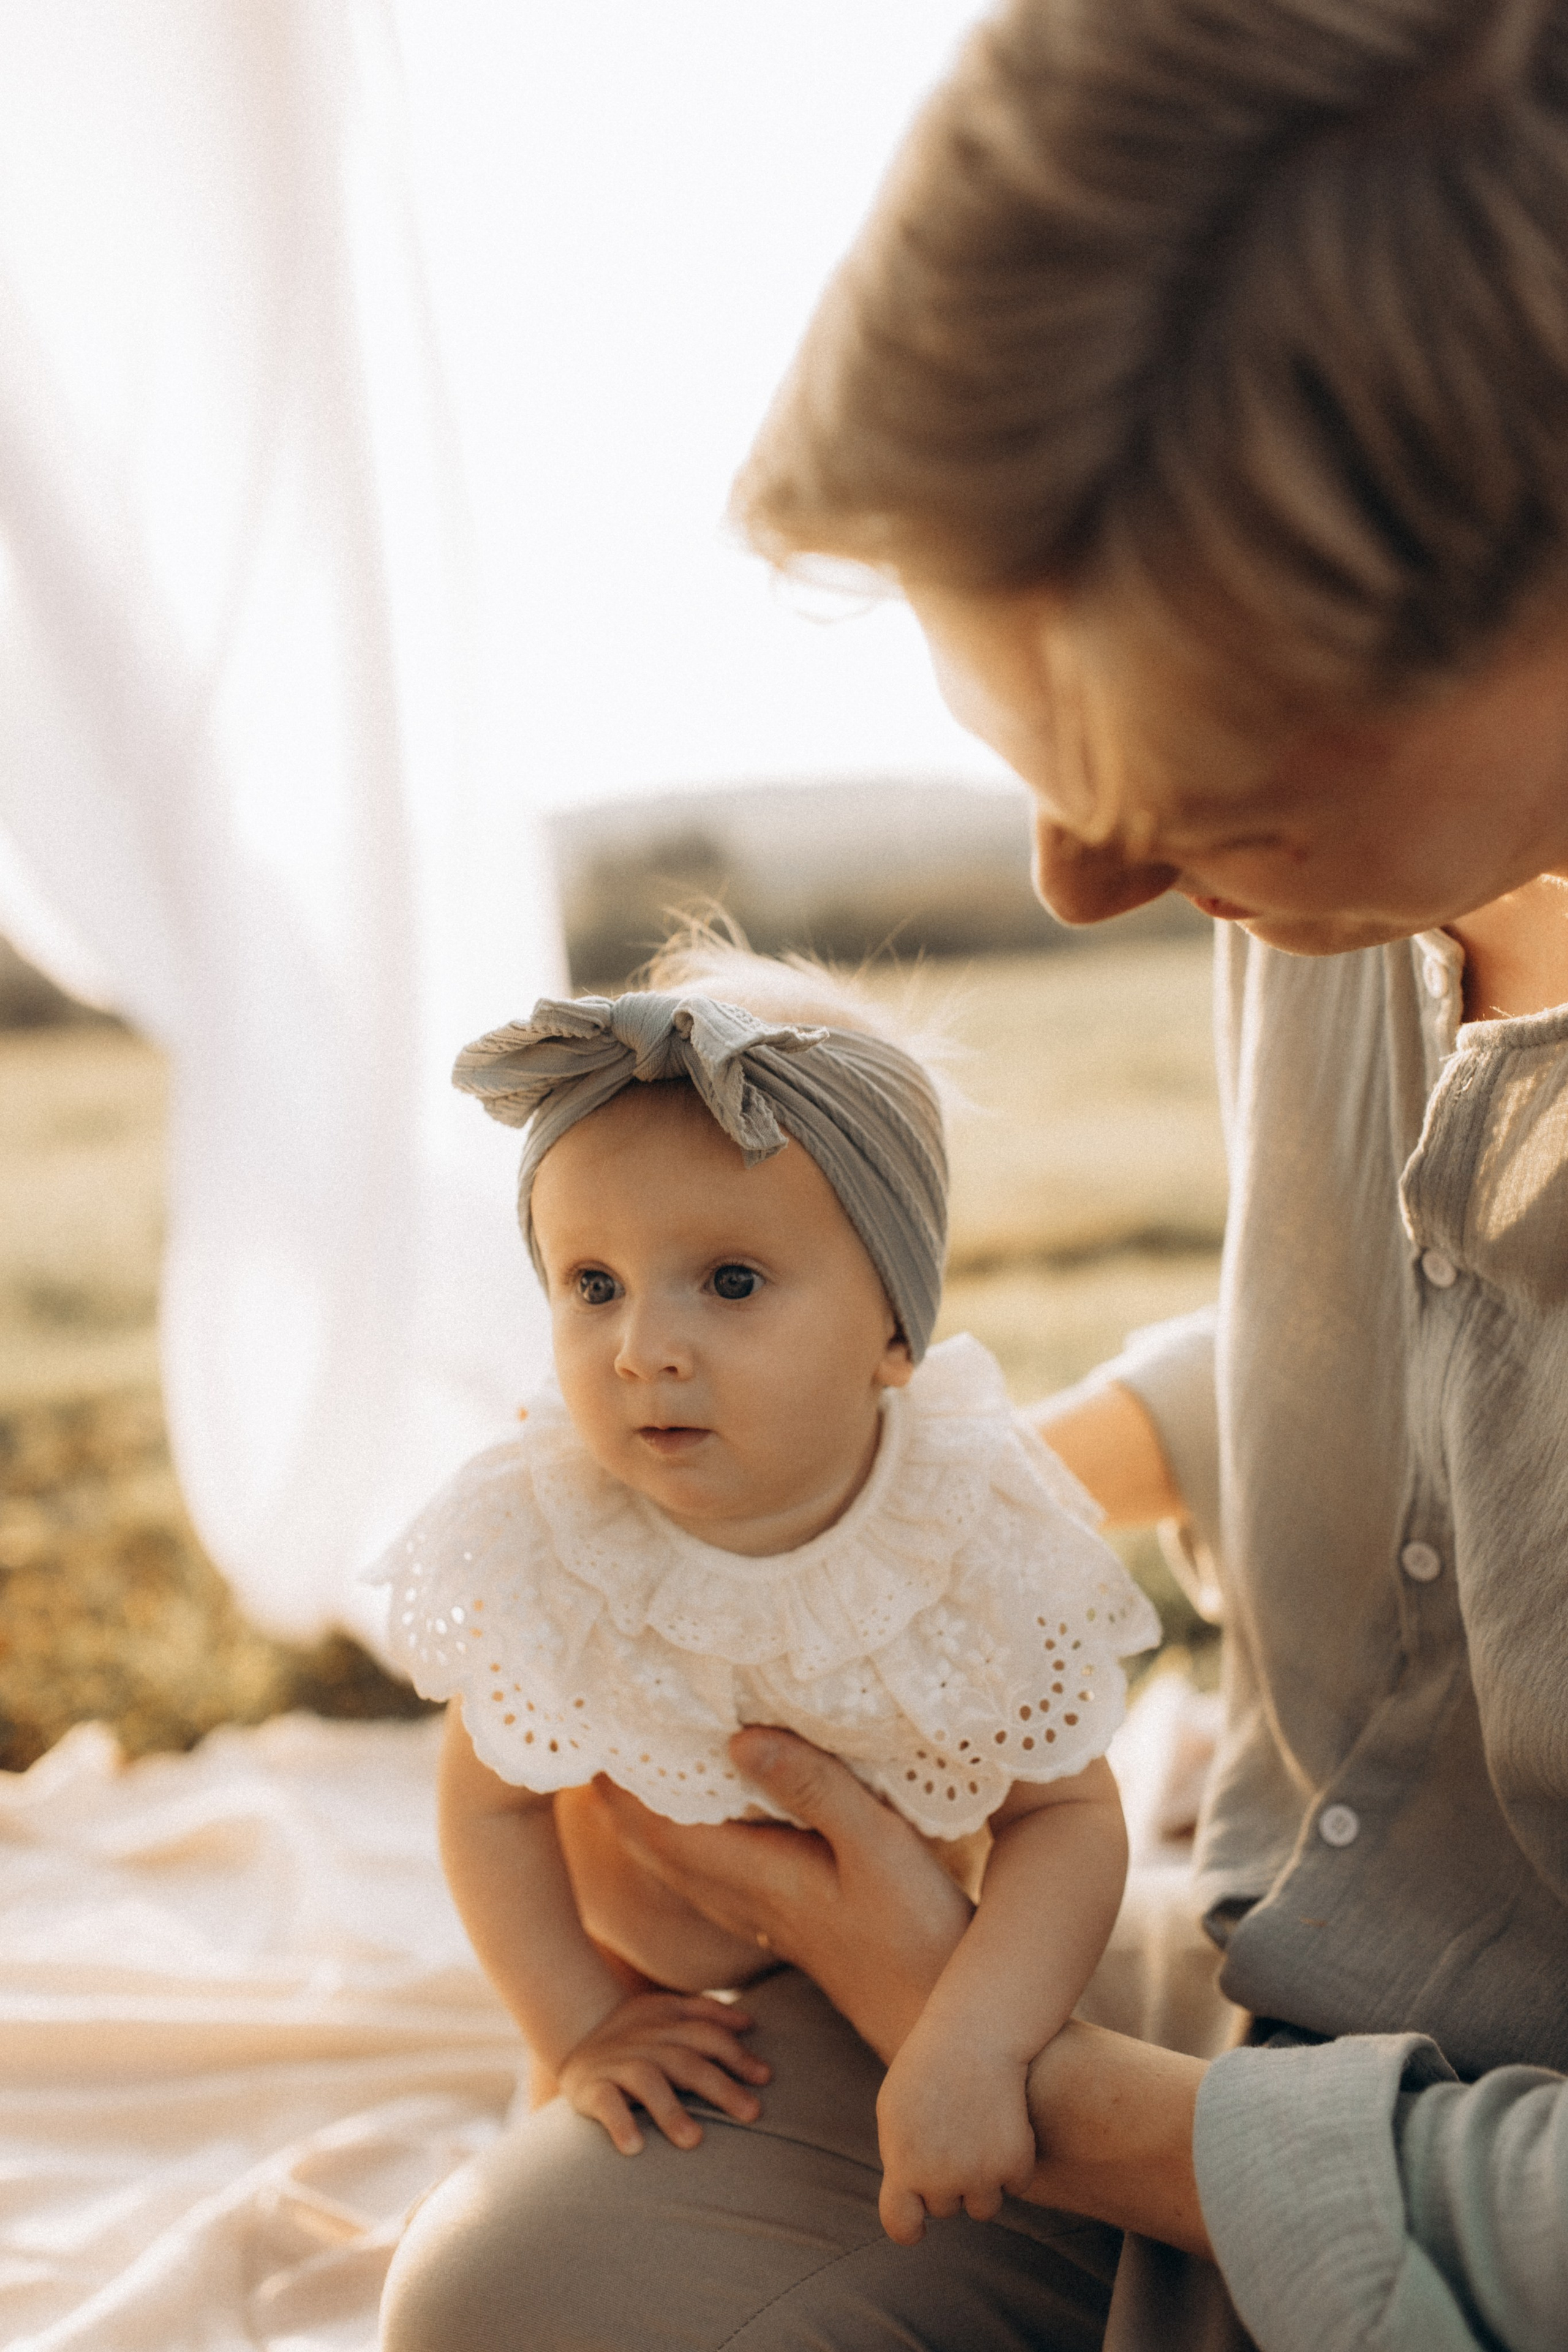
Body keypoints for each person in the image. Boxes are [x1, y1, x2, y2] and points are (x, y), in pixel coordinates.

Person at [382, 2, 1568, 2345]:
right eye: (1040, 753)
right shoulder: (1367, 883)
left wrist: (1013, 2054)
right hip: (1241, 1964)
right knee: (513, 2313)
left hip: (1438, 2175)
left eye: (1208, 792)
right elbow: (1428, 1348)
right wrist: (922, 1511)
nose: (1077, 879)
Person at [372, 936, 1161, 2245]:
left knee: (971, 2185)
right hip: (646, 1984)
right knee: (561, 2234)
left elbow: (1065, 1821)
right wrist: (580, 2023)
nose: (642, 1350)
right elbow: (489, 1806)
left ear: (893, 1328)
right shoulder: (557, 1526)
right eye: (593, 1285)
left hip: (924, 1974)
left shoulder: (966, 1527)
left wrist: (974, 2038)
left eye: (729, 1283)